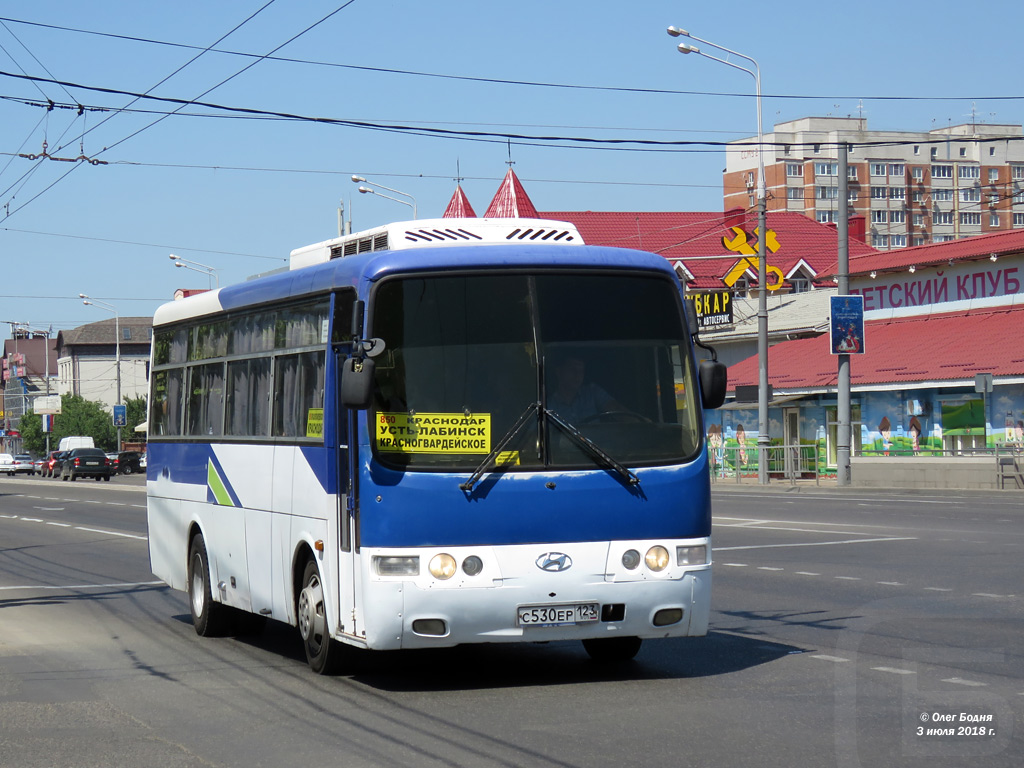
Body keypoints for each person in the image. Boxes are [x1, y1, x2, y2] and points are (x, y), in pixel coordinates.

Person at [547, 355, 620, 424]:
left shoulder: (592, 392)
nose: (578, 375)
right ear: (559, 372)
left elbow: (617, 411)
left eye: (581, 371)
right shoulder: (548, 405)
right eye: (573, 370)